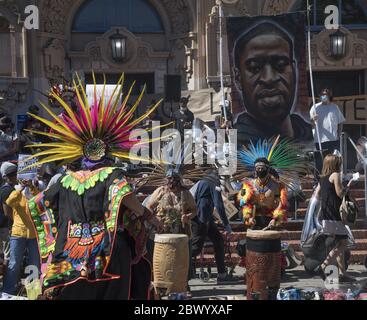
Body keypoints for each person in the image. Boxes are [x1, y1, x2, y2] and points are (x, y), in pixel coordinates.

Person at [24, 76, 163, 300]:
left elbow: (38, 204)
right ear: (108, 152)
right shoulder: (112, 174)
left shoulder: (64, 180)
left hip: (68, 254)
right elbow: (127, 198)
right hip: (106, 253)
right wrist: (148, 216)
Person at [232, 21, 313, 145]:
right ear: (238, 78)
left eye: (280, 65)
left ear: (294, 70)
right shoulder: (235, 141)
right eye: (255, 68)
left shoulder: (309, 133)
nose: (269, 78)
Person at [145, 167, 197, 285]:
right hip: (161, 232)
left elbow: (194, 210)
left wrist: (188, 216)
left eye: (174, 180)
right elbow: (148, 207)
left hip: (181, 232)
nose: (171, 183)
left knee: (180, 261)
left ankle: (181, 284)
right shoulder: (160, 191)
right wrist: (155, 219)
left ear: (179, 181)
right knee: (162, 261)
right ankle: (160, 285)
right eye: (169, 179)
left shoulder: (186, 193)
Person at [313, 154, 355, 283]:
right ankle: (323, 266)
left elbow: (317, 194)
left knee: (338, 243)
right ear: (335, 164)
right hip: (335, 214)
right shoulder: (335, 175)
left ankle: (342, 274)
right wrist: (348, 186)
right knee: (344, 242)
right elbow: (340, 193)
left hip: (326, 214)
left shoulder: (322, 178)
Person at [191, 169, 233, 283]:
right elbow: (219, 205)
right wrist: (226, 224)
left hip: (205, 217)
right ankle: (181, 274)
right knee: (195, 249)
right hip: (201, 219)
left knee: (218, 240)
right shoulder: (214, 182)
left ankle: (222, 274)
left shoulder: (207, 179)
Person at [2, 177, 41, 297]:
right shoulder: (16, 193)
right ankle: (8, 292)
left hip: (34, 235)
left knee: (34, 263)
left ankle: (33, 293)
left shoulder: (34, 192)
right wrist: (20, 189)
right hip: (18, 234)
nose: (26, 181)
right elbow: (8, 202)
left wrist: (31, 187)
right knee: (14, 262)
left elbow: (40, 200)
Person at [238, 158, 287, 230]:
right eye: (258, 168)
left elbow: (281, 204)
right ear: (255, 170)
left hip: (270, 219)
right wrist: (249, 218)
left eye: (262, 168)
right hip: (254, 219)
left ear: (267, 169)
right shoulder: (248, 184)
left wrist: (275, 219)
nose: (260, 170)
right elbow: (243, 203)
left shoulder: (276, 185)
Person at [310, 88, 346, 177]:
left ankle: (330, 181)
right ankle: (317, 182)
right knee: (319, 163)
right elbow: (310, 125)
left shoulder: (334, 107)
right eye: (322, 94)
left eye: (326, 94)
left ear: (330, 96)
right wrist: (313, 120)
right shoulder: (315, 107)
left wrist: (338, 134)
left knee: (332, 162)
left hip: (333, 140)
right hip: (319, 140)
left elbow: (340, 121)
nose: (324, 96)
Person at [0, 162, 17, 278]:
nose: (15, 176)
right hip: (5, 227)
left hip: (4, 226)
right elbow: (7, 213)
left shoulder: (7, 188)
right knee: (7, 256)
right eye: (12, 174)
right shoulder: (7, 190)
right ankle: (6, 281)